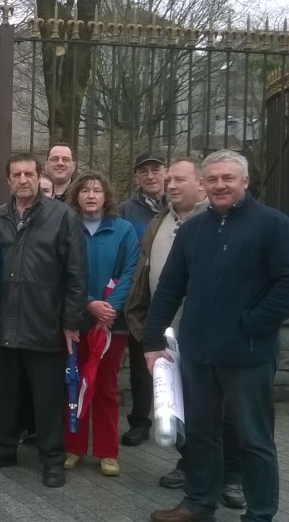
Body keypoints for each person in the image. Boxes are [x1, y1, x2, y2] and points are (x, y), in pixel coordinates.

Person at [143, 150, 289, 522]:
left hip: (248, 354)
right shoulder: (193, 229)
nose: (220, 185)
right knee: (202, 434)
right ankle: (197, 504)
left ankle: (259, 514)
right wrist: (152, 341)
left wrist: (254, 324)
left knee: (253, 439)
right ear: (204, 185)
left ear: (245, 181)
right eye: (213, 179)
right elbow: (169, 288)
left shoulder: (272, 224)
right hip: (198, 354)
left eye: (228, 178)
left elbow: (285, 283)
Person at [124, 158, 246, 508]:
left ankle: (233, 474)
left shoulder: (217, 222)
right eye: (170, 180)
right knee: (176, 402)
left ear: (201, 185)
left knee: (222, 409)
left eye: (180, 180)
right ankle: (191, 463)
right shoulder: (160, 221)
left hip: (211, 332)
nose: (172, 185)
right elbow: (144, 270)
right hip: (166, 328)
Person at [0, 152, 86, 489]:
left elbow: (77, 274)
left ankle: (52, 459)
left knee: (47, 398)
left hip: (45, 322)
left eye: (29, 174)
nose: (23, 180)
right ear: (8, 180)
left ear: (40, 177)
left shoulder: (63, 216)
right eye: (16, 175)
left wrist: (70, 321)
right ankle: (4, 449)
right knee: (4, 395)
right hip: (5, 320)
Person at [61, 172, 139, 477]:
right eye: (85, 191)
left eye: (97, 190)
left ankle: (107, 451)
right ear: (76, 196)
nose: (91, 196)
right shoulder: (67, 228)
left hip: (110, 325)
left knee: (105, 388)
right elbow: (63, 272)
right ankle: (73, 446)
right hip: (75, 319)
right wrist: (88, 302)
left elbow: (130, 271)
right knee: (73, 384)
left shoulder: (124, 230)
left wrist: (109, 309)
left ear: (106, 196)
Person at [119, 151, 168, 448]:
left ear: (166, 172)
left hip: (175, 297)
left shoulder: (178, 204)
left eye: (155, 170)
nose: (150, 176)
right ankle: (140, 421)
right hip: (140, 298)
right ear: (137, 177)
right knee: (141, 364)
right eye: (144, 171)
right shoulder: (127, 210)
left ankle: (178, 421)